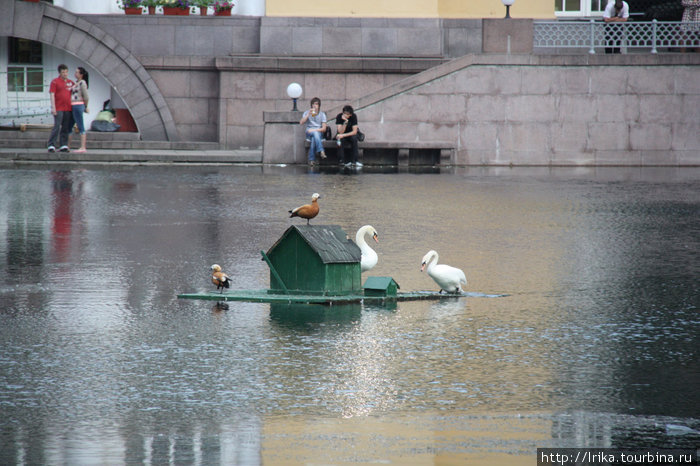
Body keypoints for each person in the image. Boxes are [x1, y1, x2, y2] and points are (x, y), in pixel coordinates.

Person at [47, 64, 75, 153]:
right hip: (58, 107)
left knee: (66, 127)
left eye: (66, 72)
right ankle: (51, 144)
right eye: (63, 72)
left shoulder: (71, 82)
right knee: (57, 126)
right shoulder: (55, 82)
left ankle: (63, 144)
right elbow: (52, 94)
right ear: (60, 73)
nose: (65, 74)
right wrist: (53, 107)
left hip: (68, 108)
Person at [299, 97, 327, 166]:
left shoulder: (322, 114)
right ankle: (321, 151)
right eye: (313, 104)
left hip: (318, 132)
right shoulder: (307, 113)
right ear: (311, 105)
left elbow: (324, 129)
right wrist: (308, 114)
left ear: (319, 105)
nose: (314, 105)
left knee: (314, 137)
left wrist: (314, 130)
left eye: (316, 104)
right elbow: (301, 122)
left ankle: (311, 160)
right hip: (309, 131)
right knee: (315, 134)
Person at [70, 67, 90, 153]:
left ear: (81, 74)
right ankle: (67, 145)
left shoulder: (82, 83)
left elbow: (86, 96)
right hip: (73, 105)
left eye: (77, 72)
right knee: (70, 125)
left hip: (78, 105)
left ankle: (83, 147)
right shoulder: (76, 83)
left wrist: (85, 106)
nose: (75, 74)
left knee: (80, 124)